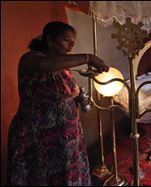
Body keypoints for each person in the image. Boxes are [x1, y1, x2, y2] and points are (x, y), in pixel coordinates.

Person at [7, 21, 109, 185]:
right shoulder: (30, 59)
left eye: (72, 43)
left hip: (66, 137)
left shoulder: (63, 65)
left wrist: (80, 97)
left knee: (66, 176)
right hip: (38, 137)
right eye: (65, 40)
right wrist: (88, 58)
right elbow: (44, 65)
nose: (70, 46)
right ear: (49, 40)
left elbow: (70, 90)